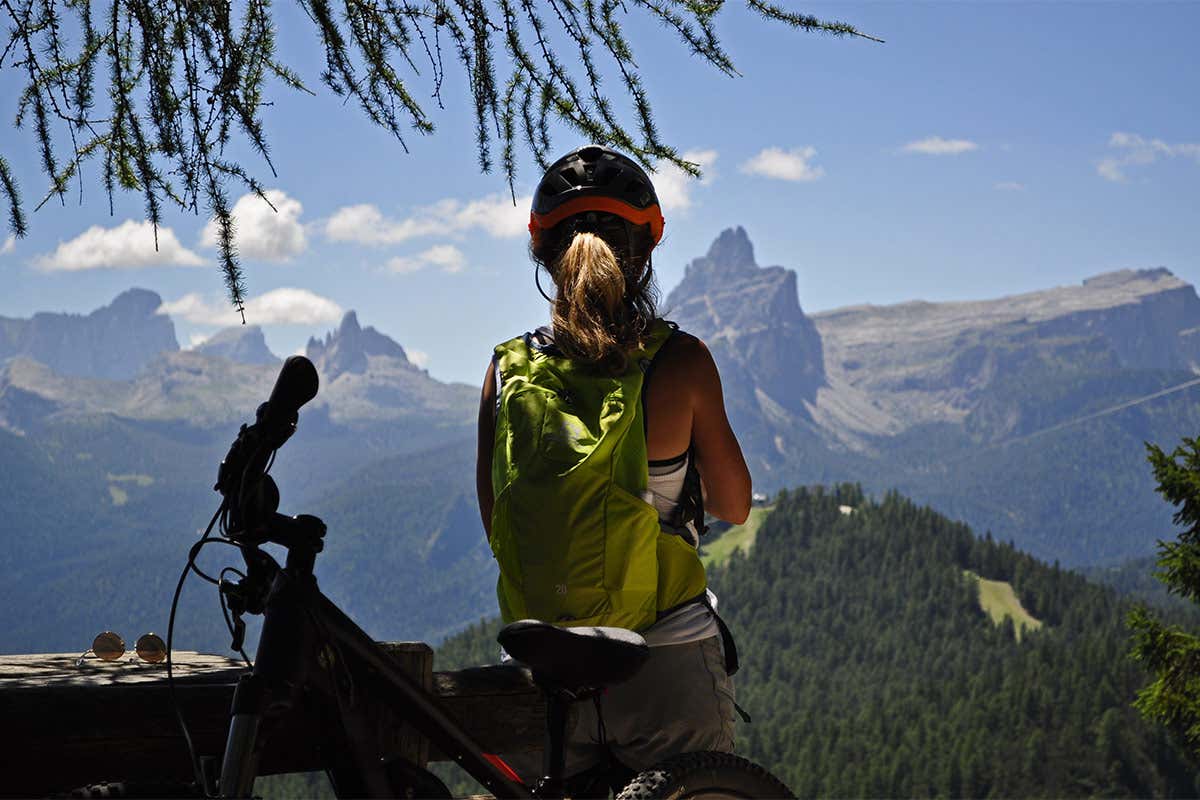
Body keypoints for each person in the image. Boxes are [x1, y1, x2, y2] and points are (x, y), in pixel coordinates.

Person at [475, 144, 752, 786]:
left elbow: (498, 523)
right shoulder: (681, 362)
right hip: (665, 658)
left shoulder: (506, 371)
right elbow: (735, 504)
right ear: (646, 250)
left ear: (543, 252)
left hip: (546, 663)